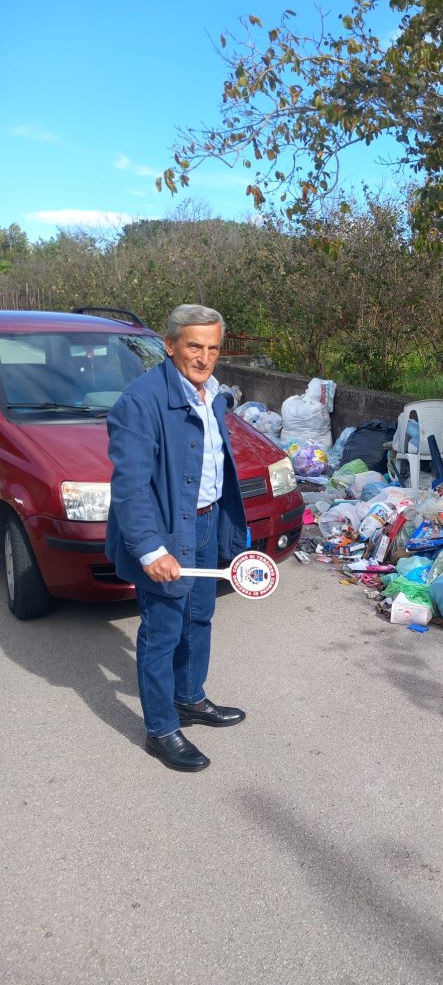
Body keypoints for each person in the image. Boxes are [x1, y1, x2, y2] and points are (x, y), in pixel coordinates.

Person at [106, 304, 247, 772]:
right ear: (169, 346)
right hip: (167, 531)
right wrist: (150, 548)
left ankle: (189, 698)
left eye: (212, 348)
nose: (204, 357)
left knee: (200, 616)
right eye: (193, 346)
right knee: (162, 633)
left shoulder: (211, 395)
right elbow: (130, 487)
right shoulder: (140, 401)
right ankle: (161, 729)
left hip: (205, 523)